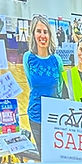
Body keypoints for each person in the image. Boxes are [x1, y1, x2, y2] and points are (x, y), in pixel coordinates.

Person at [23, 14, 65, 156]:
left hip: (54, 117)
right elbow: (31, 83)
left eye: (45, 31)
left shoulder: (56, 60)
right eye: (38, 31)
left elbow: (60, 88)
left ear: (50, 34)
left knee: (56, 155)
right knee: (43, 156)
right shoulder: (28, 58)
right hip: (35, 115)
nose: (42, 35)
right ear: (33, 34)